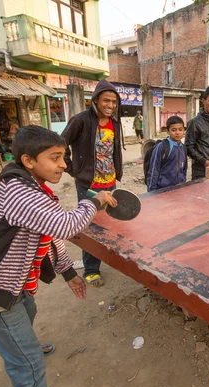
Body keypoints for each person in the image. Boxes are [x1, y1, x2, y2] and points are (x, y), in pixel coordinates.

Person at [0, 126, 116, 387]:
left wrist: (68, 272)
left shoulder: (36, 189)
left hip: (14, 282)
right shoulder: (18, 192)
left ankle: (22, 344)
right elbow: (64, 226)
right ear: (28, 161)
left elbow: (48, 233)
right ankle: (23, 353)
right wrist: (94, 201)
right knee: (28, 365)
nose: (63, 164)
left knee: (28, 310)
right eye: (55, 157)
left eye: (63, 156)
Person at [61, 80, 124, 288]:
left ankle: (102, 260)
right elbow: (60, 144)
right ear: (96, 99)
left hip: (110, 183)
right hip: (89, 185)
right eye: (106, 100)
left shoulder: (115, 123)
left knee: (108, 225)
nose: (110, 105)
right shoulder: (81, 120)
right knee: (90, 227)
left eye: (114, 102)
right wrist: (72, 169)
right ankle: (91, 270)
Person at [146, 116, 187, 192]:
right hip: (163, 189)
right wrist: (151, 191)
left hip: (179, 188)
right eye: (173, 130)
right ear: (168, 131)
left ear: (184, 130)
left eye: (180, 129)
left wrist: (183, 182)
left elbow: (184, 169)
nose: (177, 133)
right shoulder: (162, 147)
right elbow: (154, 170)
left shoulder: (183, 148)